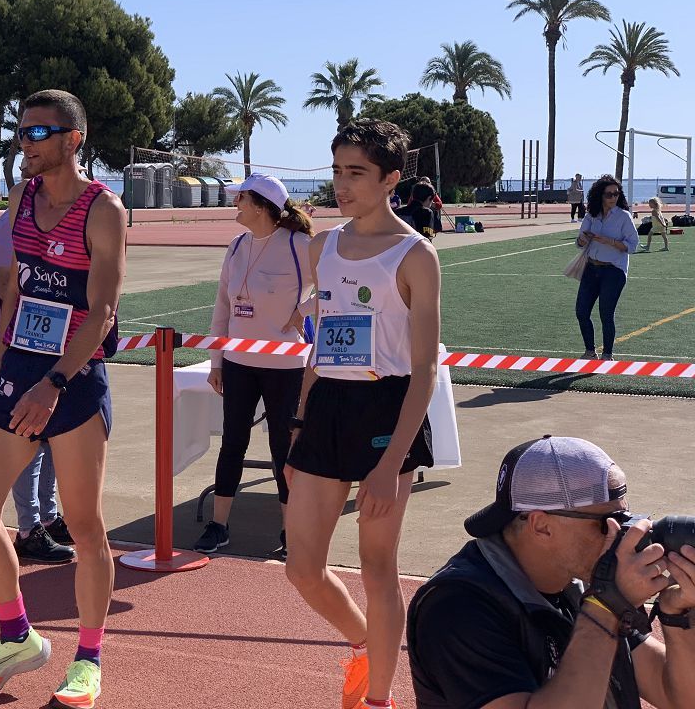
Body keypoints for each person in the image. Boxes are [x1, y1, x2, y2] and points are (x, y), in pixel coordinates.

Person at [0, 89, 126, 708]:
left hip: (73, 377)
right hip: (17, 367)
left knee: (83, 526)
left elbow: (103, 312)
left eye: (37, 133)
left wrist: (52, 384)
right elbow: (12, 284)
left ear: (72, 139)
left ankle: (88, 657)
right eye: (20, 132)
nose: (23, 143)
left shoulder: (103, 209)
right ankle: (17, 636)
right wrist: (3, 353)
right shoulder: (22, 196)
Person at [285, 119, 441, 709]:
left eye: (357, 173)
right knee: (301, 566)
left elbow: (424, 369)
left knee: (378, 565)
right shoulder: (321, 246)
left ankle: (379, 697)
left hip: (387, 410)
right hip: (327, 405)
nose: (342, 185)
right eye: (337, 172)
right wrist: (300, 425)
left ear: (391, 179)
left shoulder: (414, 255)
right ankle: (362, 644)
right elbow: (321, 343)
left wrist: (390, 462)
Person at [408, 435, 695, 709]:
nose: (620, 533)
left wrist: (674, 615)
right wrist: (606, 606)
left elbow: (679, 698)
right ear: (541, 525)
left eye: (625, 518)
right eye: (606, 521)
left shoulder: (583, 581)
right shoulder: (458, 608)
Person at [194, 173, 315, 558]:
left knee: (283, 446)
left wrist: (305, 310)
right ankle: (218, 525)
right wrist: (217, 361)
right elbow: (223, 307)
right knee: (233, 442)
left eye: (241, 198)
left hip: (286, 365)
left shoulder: (299, 245)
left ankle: (290, 530)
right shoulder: (236, 247)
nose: (235, 204)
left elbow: (336, 285)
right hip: (237, 363)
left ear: (261, 206)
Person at [0, 204, 75, 566]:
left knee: (53, 437)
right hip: (24, 343)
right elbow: (7, 284)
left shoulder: (76, 214)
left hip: (61, 341)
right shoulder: (12, 222)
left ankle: (49, 517)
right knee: (29, 437)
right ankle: (28, 529)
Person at [575, 175, 639, 361]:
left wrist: (610, 241)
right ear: (599, 195)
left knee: (606, 313)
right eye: (609, 194)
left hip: (614, 271)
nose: (613, 197)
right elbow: (579, 243)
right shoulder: (591, 215)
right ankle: (589, 351)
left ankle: (607, 355)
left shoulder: (624, 217)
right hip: (591, 268)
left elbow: (633, 246)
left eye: (616, 194)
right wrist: (583, 239)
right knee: (581, 312)